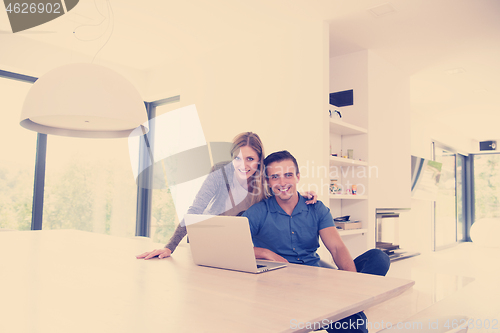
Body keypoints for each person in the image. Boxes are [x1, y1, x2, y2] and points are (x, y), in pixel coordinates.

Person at [242, 150, 390, 333]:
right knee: (352, 323)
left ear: (297, 177)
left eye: (288, 175)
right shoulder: (258, 212)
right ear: (268, 182)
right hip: (282, 287)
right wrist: (264, 253)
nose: (282, 183)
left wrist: (352, 285)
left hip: (318, 282)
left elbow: (336, 248)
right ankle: (346, 308)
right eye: (275, 177)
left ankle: (349, 302)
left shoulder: (316, 209)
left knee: (378, 257)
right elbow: (233, 247)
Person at [137, 133, 317, 260]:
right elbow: (195, 210)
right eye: (237, 158)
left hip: (237, 245)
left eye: (250, 159)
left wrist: (300, 194)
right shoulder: (220, 172)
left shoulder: (263, 179)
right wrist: (170, 247)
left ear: (260, 160)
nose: (243, 165)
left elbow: (278, 191)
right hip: (208, 237)